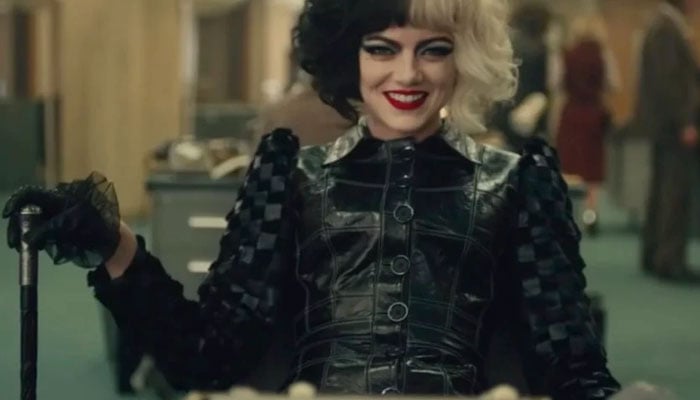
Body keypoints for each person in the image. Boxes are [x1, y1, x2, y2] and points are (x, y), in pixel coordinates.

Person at [3, 0, 620, 398]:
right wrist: (115, 245)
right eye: (382, 48)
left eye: (433, 50)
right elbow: (207, 357)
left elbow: (574, 373)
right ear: (349, 55)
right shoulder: (292, 178)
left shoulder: (516, 181)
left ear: (464, 60)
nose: (407, 74)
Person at [636, 0, 700, 282]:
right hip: (673, 126)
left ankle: (655, 253)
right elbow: (671, 81)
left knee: (662, 190)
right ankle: (669, 259)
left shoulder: (663, 25)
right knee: (675, 193)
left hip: (664, 125)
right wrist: (685, 121)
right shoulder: (667, 28)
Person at [554, 14, 620, 235]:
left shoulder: (565, 55)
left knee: (570, 164)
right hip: (594, 115)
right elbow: (614, 84)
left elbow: (556, 83)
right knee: (591, 167)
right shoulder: (603, 55)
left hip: (571, 114)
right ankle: (591, 213)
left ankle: (567, 213)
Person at [489, 2, 553, 153]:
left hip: (506, 107)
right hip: (530, 112)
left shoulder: (507, 45)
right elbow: (544, 85)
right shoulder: (541, 49)